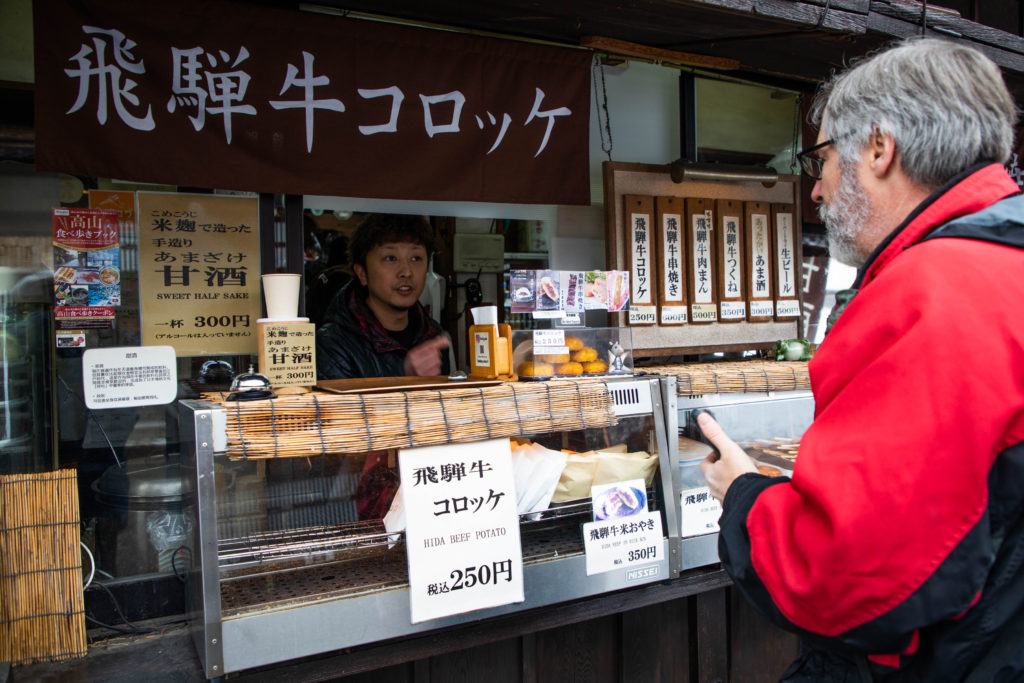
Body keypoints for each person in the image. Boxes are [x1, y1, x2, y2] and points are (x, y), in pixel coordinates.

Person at [698, 39, 1024, 681]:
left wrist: (742, 496)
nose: (816, 189)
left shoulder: (930, 292)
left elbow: (846, 574)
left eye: (821, 158)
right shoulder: (1003, 263)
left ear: (878, 148)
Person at [316, 213, 450, 380]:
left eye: (416, 258)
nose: (406, 272)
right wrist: (404, 376)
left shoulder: (431, 334)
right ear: (362, 273)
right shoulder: (332, 344)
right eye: (391, 258)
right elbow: (342, 407)